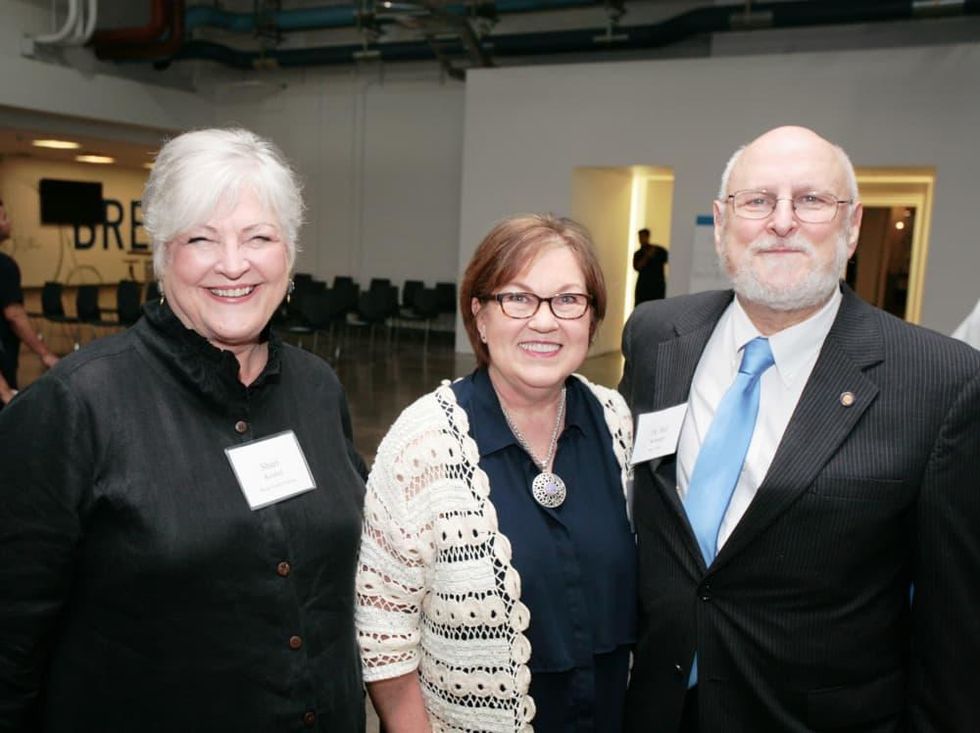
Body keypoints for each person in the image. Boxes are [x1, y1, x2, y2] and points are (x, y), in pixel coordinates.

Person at [0, 128, 367, 731]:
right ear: (163, 253)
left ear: (290, 252)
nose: (232, 264)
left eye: (259, 237)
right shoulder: (74, 407)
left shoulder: (317, 389)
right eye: (201, 238)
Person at [620, 126, 980, 732]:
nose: (781, 221)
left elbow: (955, 625)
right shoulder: (657, 336)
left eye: (811, 200)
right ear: (723, 219)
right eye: (757, 201)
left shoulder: (941, 380)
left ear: (853, 225)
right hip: (653, 706)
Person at [357, 214, 636, 732]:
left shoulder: (616, 422)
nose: (545, 321)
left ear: (592, 319)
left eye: (568, 300)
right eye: (518, 298)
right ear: (480, 316)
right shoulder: (422, 445)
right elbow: (384, 640)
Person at [0, 198, 59, 407]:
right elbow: (14, 316)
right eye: (4, 217)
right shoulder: (5, 267)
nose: (9, 222)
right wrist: (45, 353)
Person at [632, 227, 668, 305]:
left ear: (648, 237)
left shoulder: (658, 250)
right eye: (640, 237)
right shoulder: (638, 253)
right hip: (643, 287)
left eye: (643, 237)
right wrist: (647, 256)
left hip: (657, 287)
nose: (641, 239)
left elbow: (670, 259)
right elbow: (637, 267)